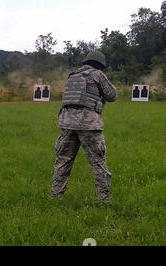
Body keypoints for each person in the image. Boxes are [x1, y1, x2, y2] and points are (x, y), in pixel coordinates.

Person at [51, 51, 117, 204]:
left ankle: (55, 197)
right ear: (100, 65)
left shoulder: (72, 76)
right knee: (98, 163)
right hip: (88, 124)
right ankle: (104, 201)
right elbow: (112, 96)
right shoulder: (98, 75)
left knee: (63, 161)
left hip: (67, 123)